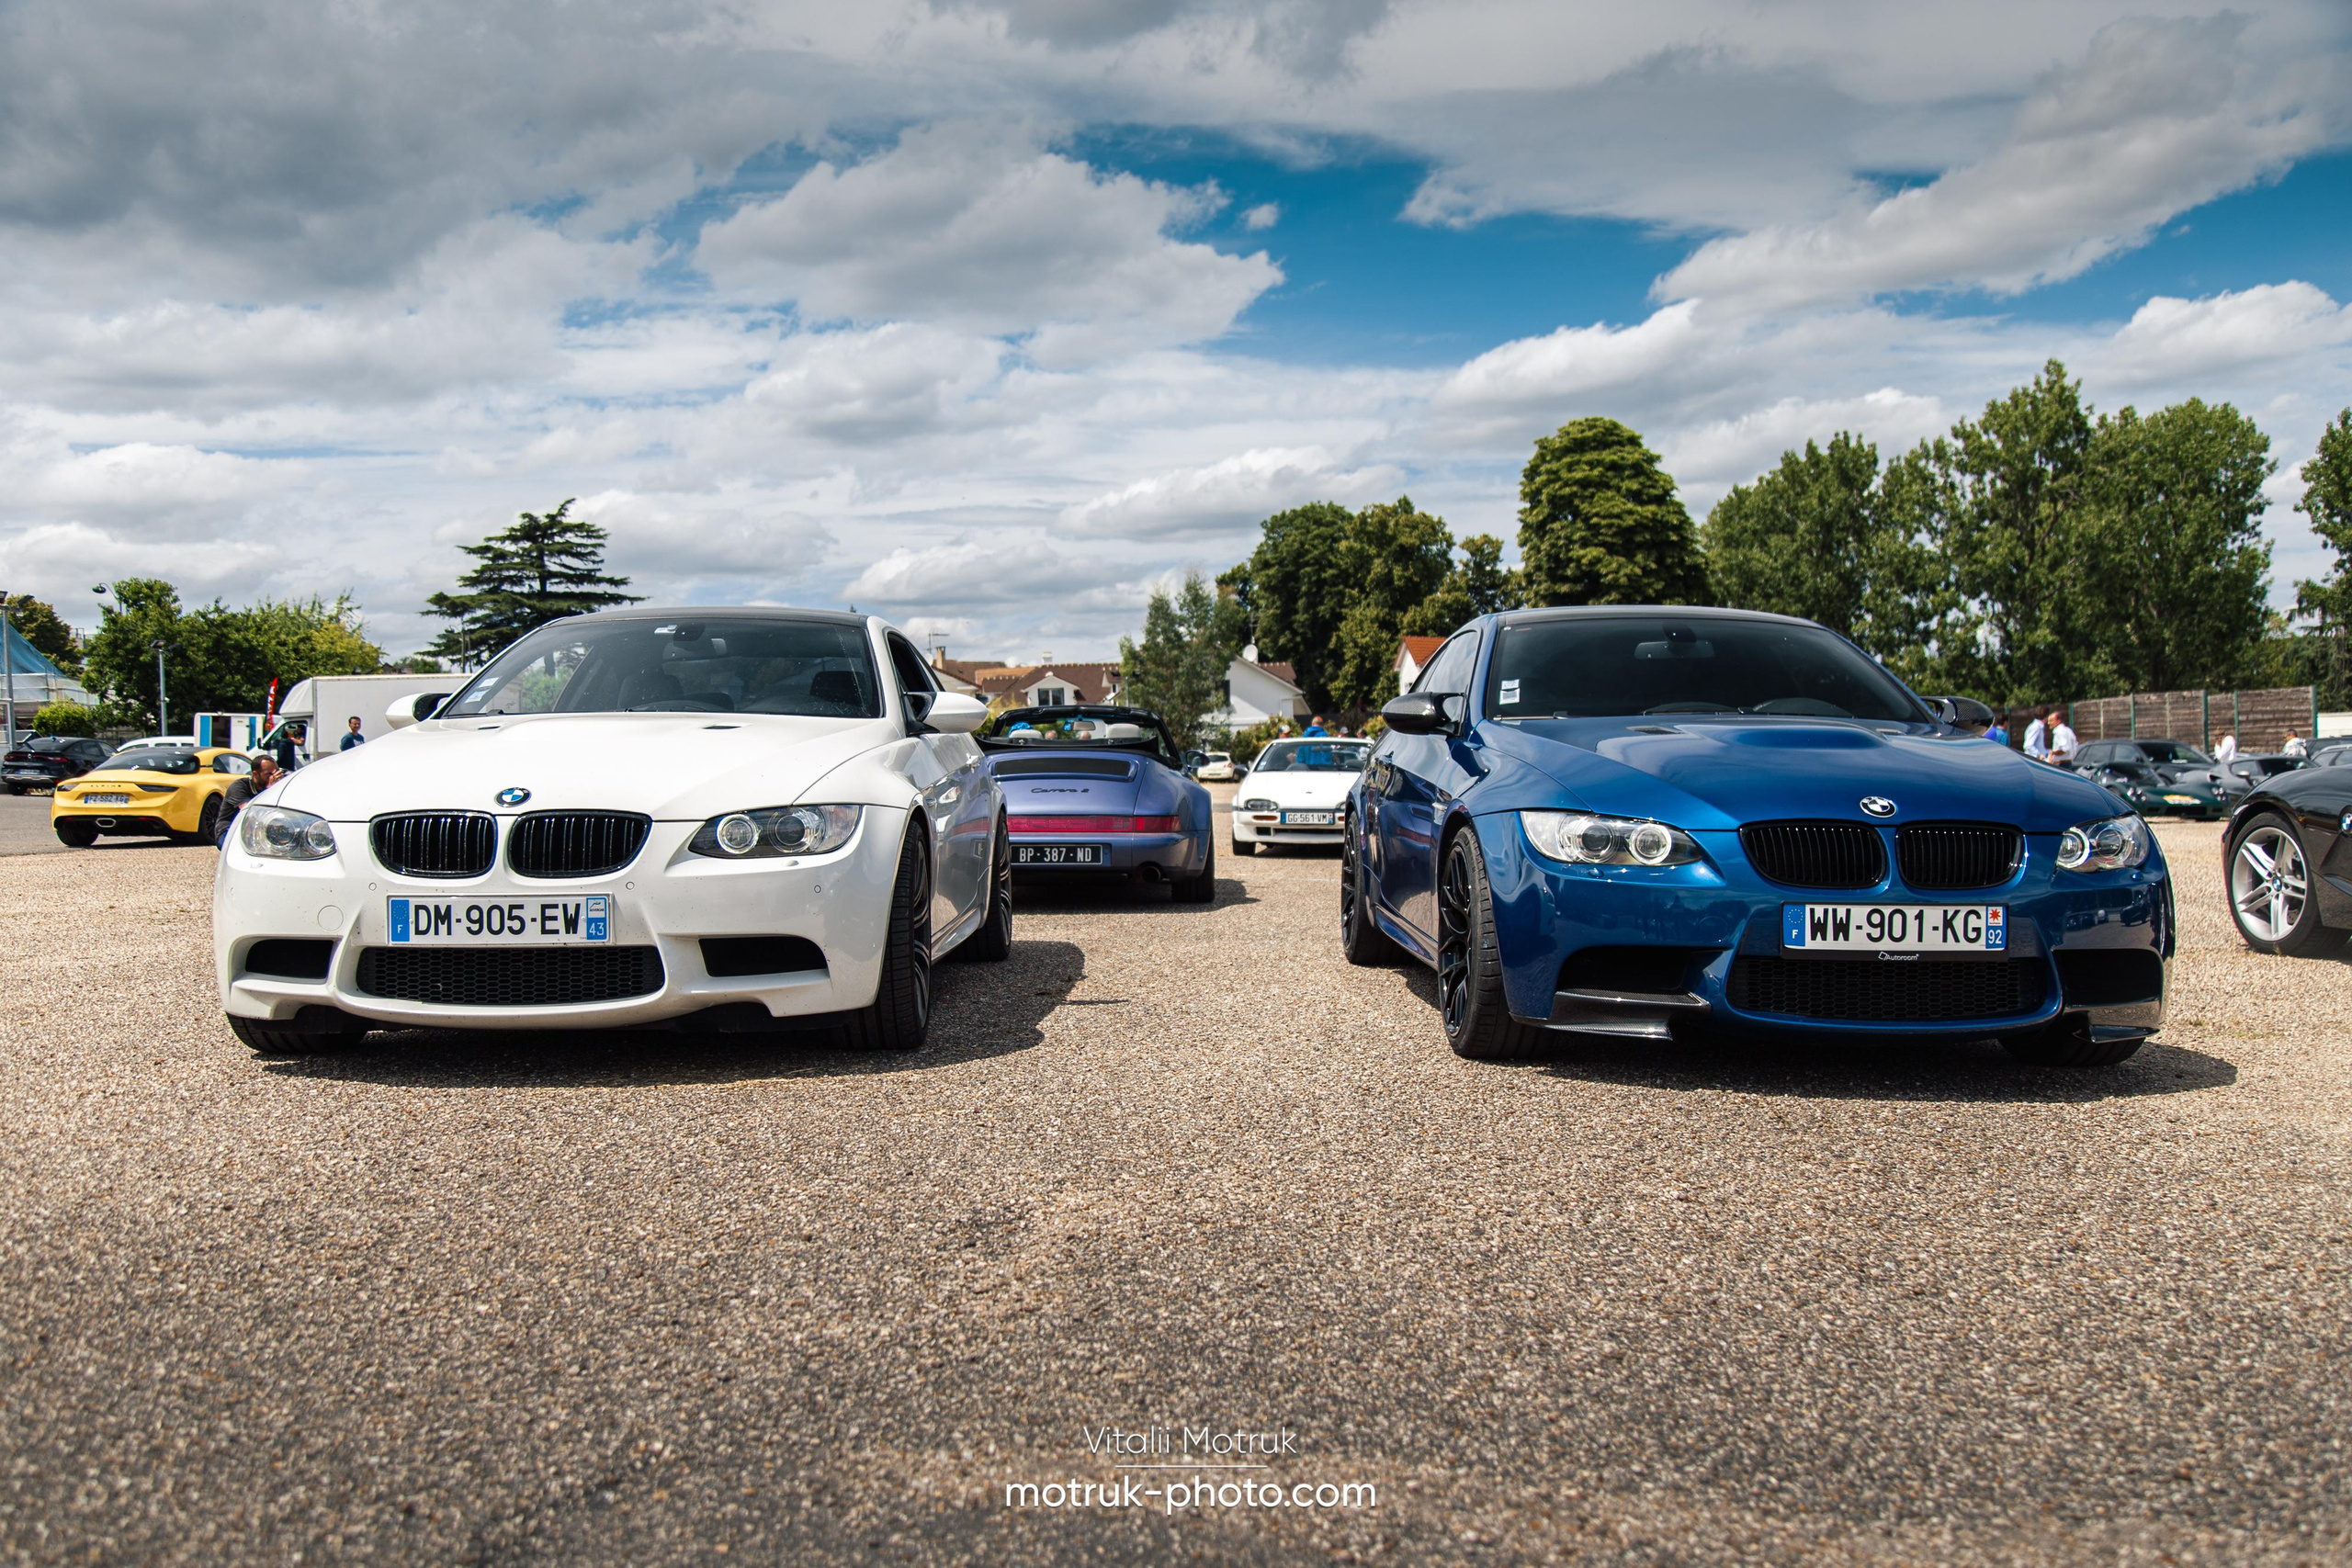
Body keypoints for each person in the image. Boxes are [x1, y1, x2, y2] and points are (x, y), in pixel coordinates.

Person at [215, 755, 280, 847]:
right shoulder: (239, 786)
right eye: (268, 774)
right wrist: (270, 789)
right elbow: (250, 813)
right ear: (255, 774)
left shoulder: (278, 787)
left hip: (259, 830)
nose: (273, 777)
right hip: (231, 830)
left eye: (276, 772)